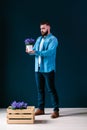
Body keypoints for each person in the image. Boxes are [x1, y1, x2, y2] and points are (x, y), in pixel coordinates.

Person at [26, 21, 59, 118]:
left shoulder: (53, 39)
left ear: (48, 28)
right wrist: (30, 52)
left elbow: (49, 52)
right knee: (40, 89)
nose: (41, 30)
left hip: (48, 68)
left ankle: (56, 110)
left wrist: (36, 51)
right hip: (38, 68)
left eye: (43, 28)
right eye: (41, 28)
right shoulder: (39, 39)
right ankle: (41, 109)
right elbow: (35, 51)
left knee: (51, 90)